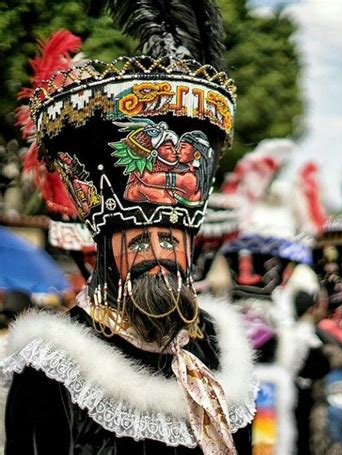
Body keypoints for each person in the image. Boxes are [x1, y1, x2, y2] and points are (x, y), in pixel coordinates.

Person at [1, 2, 256, 454]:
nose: (159, 252)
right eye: (140, 239)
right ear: (104, 247)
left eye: (170, 240)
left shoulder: (219, 350)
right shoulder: (54, 365)